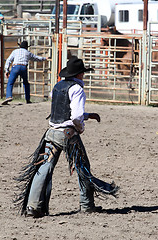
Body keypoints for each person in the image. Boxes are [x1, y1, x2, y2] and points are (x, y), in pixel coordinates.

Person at [15, 56, 119, 218]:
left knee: (44, 167)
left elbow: (65, 109)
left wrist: (88, 115)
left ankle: (33, 206)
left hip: (51, 133)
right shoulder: (77, 89)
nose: (83, 76)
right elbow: (76, 116)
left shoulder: (57, 87)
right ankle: (87, 204)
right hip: (68, 134)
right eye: (82, 73)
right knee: (82, 167)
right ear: (78, 75)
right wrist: (80, 127)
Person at [2, 40, 48, 105]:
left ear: (20, 46)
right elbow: (36, 58)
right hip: (24, 67)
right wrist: (44, 58)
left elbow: (9, 60)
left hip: (15, 67)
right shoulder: (27, 53)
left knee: (10, 82)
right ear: (26, 47)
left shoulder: (15, 51)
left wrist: (6, 70)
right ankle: (27, 99)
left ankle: (8, 96)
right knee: (26, 83)